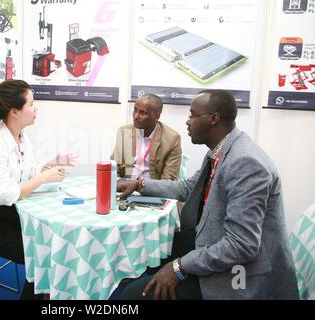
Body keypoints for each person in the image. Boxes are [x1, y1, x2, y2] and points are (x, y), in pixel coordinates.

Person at [117, 89, 299, 300]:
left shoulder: (245, 163)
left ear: (213, 119)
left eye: (193, 115)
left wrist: (179, 267)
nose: (187, 122)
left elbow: (241, 246)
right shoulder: (221, 150)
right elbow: (186, 188)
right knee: (157, 246)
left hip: (241, 274)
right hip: (214, 242)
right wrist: (139, 184)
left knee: (133, 295)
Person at [0, 80, 77, 299]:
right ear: (14, 112)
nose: (36, 108)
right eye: (31, 103)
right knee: (40, 257)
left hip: (11, 213)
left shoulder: (21, 138)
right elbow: (7, 193)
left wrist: (50, 164)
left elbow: (28, 173)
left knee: (51, 244)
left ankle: (46, 296)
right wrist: (45, 177)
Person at [111, 94, 182, 180]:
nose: (136, 116)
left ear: (157, 116)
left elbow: (169, 180)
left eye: (143, 113)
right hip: (125, 186)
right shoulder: (124, 131)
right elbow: (113, 167)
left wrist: (141, 187)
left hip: (152, 190)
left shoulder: (172, 139)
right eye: (135, 110)